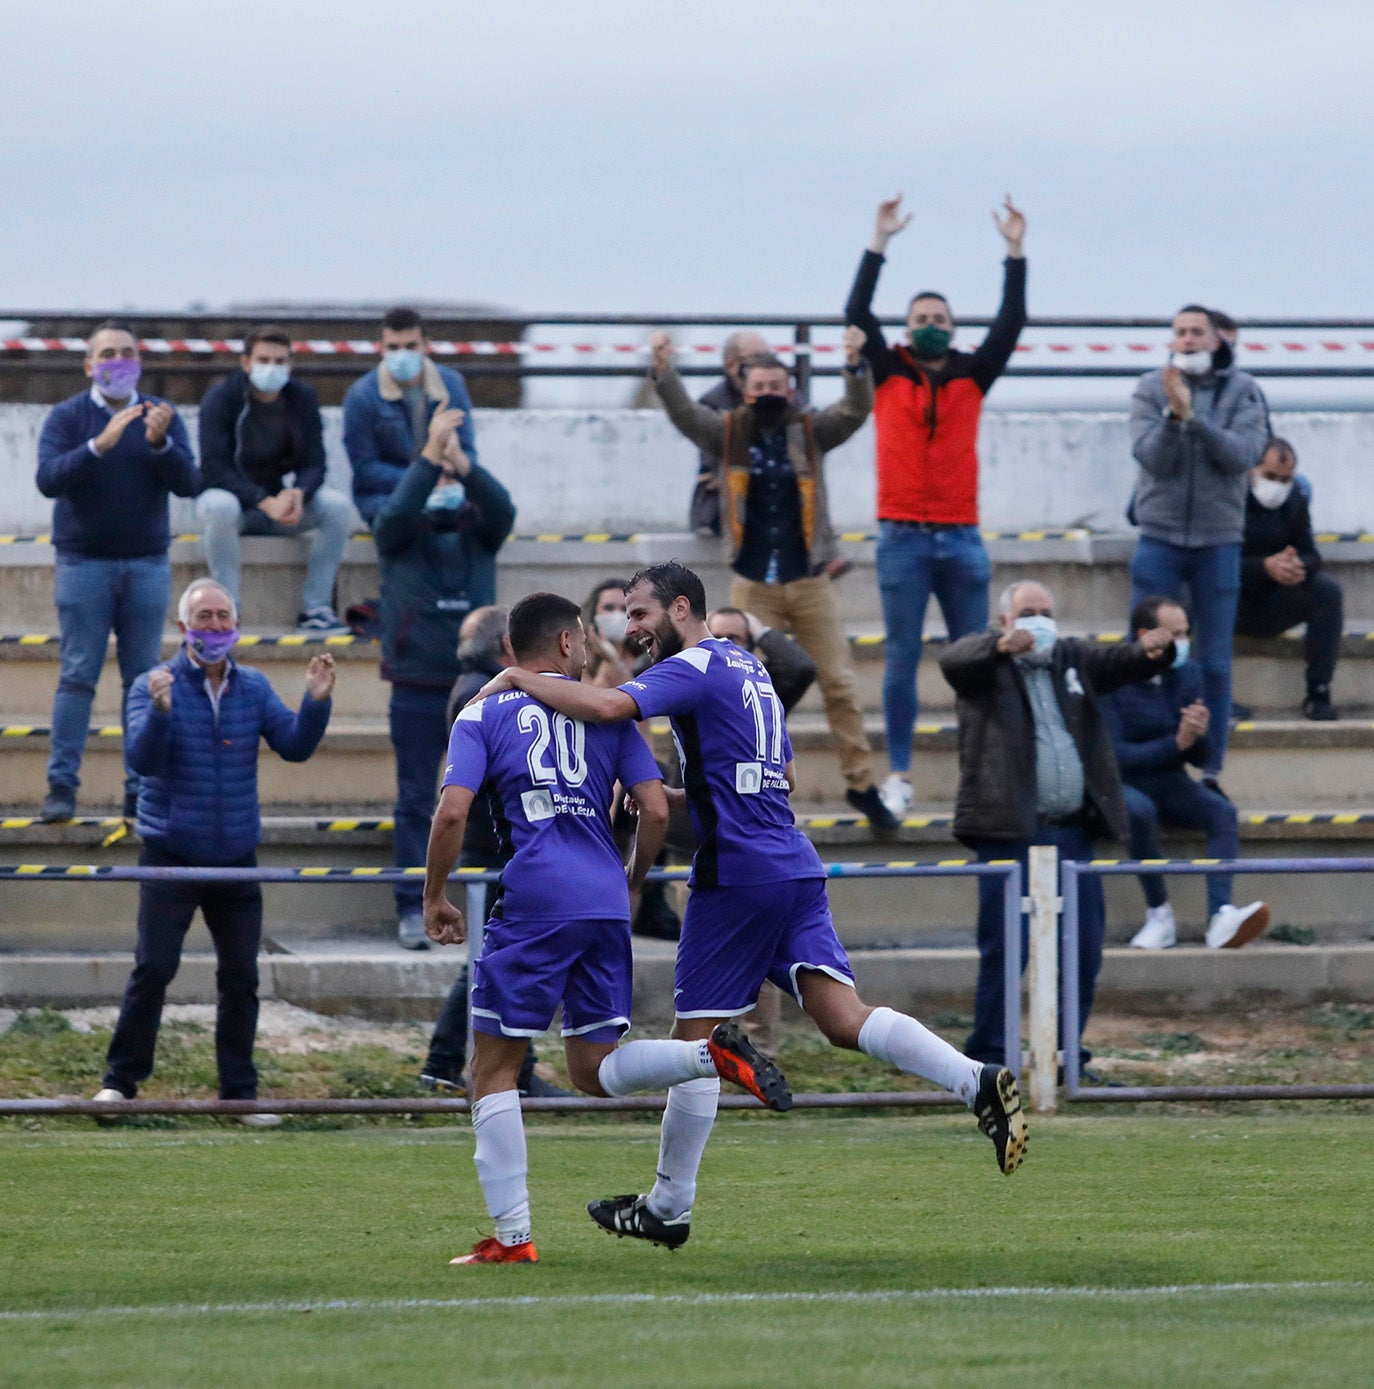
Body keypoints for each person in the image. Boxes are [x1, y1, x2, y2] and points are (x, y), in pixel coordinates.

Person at [471, 562, 1027, 1252]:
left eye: (641, 614)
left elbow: (611, 708)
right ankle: (974, 1080)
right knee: (843, 1018)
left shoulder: (696, 664)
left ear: (680, 607)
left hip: (735, 873)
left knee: (696, 1042)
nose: (632, 629)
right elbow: (781, 774)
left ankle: (670, 1206)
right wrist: (672, 803)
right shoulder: (746, 667)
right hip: (791, 860)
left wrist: (519, 678)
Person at [423, 591, 789, 1264]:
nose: (594, 646)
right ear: (565, 643)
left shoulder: (483, 712)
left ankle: (512, 1237)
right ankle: (710, 1055)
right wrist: (631, 878)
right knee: (593, 1070)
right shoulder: (614, 717)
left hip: (534, 898)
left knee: (490, 1068)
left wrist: (434, 895)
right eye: (587, 636)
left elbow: (451, 814)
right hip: (602, 902)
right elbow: (653, 808)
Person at [92, 578, 334, 1119]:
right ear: (183, 628)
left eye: (224, 616)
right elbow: (143, 762)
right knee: (153, 969)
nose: (217, 626)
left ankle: (238, 1095)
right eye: (205, 617)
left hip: (235, 860)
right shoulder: (151, 683)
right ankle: (119, 1084)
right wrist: (159, 711)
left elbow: (294, 747)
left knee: (242, 978)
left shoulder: (253, 687)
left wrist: (316, 704)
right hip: (171, 856)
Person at [649, 328, 898, 831]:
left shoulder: (809, 429)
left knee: (840, 683)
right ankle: (745, 778)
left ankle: (861, 784)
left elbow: (853, 411)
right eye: (758, 384)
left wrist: (855, 367)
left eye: (776, 385)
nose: (767, 393)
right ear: (743, 388)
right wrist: (664, 372)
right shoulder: (726, 432)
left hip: (808, 580)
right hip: (752, 585)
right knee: (737, 688)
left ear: (790, 388)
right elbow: (683, 416)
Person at [939, 580, 1175, 1071]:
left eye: (1046, 611)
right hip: (1007, 831)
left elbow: (1120, 662)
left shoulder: (1070, 657)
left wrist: (1151, 651)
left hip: (1071, 831)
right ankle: (989, 1056)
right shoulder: (984, 666)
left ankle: (1069, 1053)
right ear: (1005, 620)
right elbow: (954, 661)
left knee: (1084, 948)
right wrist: (999, 648)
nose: (1038, 620)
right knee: (1005, 949)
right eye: (1027, 611)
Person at [845, 193, 1028, 820]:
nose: (932, 322)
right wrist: (880, 240)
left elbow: (1011, 323)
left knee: (975, 659)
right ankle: (898, 774)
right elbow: (855, 311)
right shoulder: (889, 370)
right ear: (906, 327)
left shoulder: (972, 375)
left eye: (941, 316)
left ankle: (979, 771)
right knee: (901, 657)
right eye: (921, 314)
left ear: (953, 328)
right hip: (902, 536)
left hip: (961, 537)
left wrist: (1013, 252)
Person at [35, 320, 201, 823]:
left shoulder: (161, 416)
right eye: (106, 353)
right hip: (83, 563)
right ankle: (62, 787)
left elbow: (191, 483)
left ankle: (139, 787)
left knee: (143, 679)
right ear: (88, 365)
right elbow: (47, 479)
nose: (117, 360)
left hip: (147, 563)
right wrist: (98, 445)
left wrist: (158, 445)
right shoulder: (67, 417)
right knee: (78, 675)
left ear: (140, 362)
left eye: (126, 352)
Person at [374, 401, 515, 949]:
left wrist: (463, 462)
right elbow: (391, 518)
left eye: (450, 472)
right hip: (413, 685)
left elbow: (503, 507)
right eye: (439, 472)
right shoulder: (403, 532)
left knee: (487, 800)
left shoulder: (481, 530)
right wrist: (430, 458)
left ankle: (490, 902)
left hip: (480, 690)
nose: (446, 479)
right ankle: (414, 904)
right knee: (415, 798)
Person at [418, 607, 560, 1097]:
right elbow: (460, 799)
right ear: (506, 647)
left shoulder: (473, 687)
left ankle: (469, 1067)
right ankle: (496, 1070)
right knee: (490, 962)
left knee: (489, 960)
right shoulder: (485, 695)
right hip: (492, 844)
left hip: (486, 842)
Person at [1127, 303, 1269, 786]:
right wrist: (1172, 416)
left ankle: (1211, 767)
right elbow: (1151, 459)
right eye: (1180, 332)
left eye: (1197, 332)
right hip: (1160, 537)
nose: (1187, 339)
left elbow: (1243, 456)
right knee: (1143, 650)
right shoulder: (1150, 387)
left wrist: (1197, 421)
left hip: (1218, 542)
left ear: (1216, 340)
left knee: (1213, 659)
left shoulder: (1244, 390)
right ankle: (1143, 756)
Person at [1102, 596, 1270, 950]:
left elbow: (1200, 757)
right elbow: (1114, 757)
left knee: (1222, 812)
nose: (1182, 642)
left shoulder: (1187, 673)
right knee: (1139, 811)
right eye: (1173, 635)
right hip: (1122, 783)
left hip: (1169, 780)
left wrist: (1197, 736)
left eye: (1185, 633)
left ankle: (1221, 915)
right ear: (1145, 635)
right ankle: (1158, 913)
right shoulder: (1111, 677)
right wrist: (1176, 743)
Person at [197, 325, 354, 635]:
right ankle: (229, 610)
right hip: (232, 504)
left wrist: (298, 493)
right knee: (220, 507)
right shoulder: (221, 398)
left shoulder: (302, 398)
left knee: (337, 507)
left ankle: (317, 609)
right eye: (264, 360)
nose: (272, 368)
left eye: (280, 361)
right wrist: (261, 500)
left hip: (279, 502)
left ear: (290, 364)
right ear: (246, 363)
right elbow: (214, 468)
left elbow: (316, 462)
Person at [1235, 437, 1343, 721]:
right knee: (1201, 587)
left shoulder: (1295, 500)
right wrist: (1263, 567)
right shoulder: (1230, 499)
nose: (1278, 486)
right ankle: (1211, 694)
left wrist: (1296, 566)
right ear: (1252, 470)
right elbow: (1214, 562)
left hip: (1275, 600)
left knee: (1327, 592)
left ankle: (1318, 692)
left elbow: (1311, 553)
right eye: (1270, 477)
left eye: (1285, 479)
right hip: (1231, 601)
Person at [343, 306, 479, 525]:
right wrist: (424, 478)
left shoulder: (451, 385)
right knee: (409, 524)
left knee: (480, 520)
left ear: (426, 345)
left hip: (447, 491)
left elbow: (468, 450)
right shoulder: (362, 396)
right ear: (381, 349)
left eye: (411, 346)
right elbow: (365, 469)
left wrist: (454, 467)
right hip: (384, 497)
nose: (402, 354)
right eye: (393, 347)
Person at [687, 330, 770, 536]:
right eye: (758, 358)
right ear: (732, 365)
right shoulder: (712, 403)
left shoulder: (782, 395)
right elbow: (716, 460)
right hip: (725, 505)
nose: (766, 364)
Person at [707, 606, 817, 714]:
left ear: (749, 643)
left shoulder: (764, 684)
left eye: (734, 638)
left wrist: (761, 633)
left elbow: (801, 668)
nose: (725, 643)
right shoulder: (697, 678)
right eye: (716, 638)